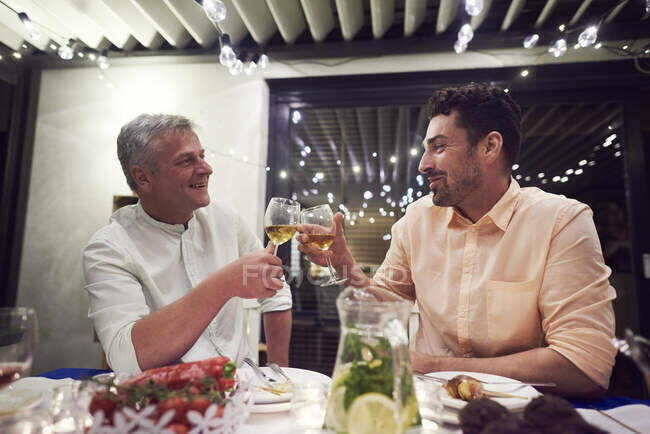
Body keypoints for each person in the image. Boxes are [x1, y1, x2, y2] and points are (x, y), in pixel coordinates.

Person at [297, 83, 616, 399]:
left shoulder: (561, 222)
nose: (423, 164)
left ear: (490, 147)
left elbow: (586, 366)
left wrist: (432, 366)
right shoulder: (416, 220)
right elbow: (385, 308)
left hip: (516, 415)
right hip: (429, 412)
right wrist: (347, 268)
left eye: (438, 147)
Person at [84, 114, 292, 374]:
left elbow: (277, 292)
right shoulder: (109, 248)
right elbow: (126, 359)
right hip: (167, 403)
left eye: (202, 156)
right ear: (143, 178)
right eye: (186, 161)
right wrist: (224, 284)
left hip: (244, 392)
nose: (206, 168)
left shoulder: (227, 221)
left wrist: (281, 373)